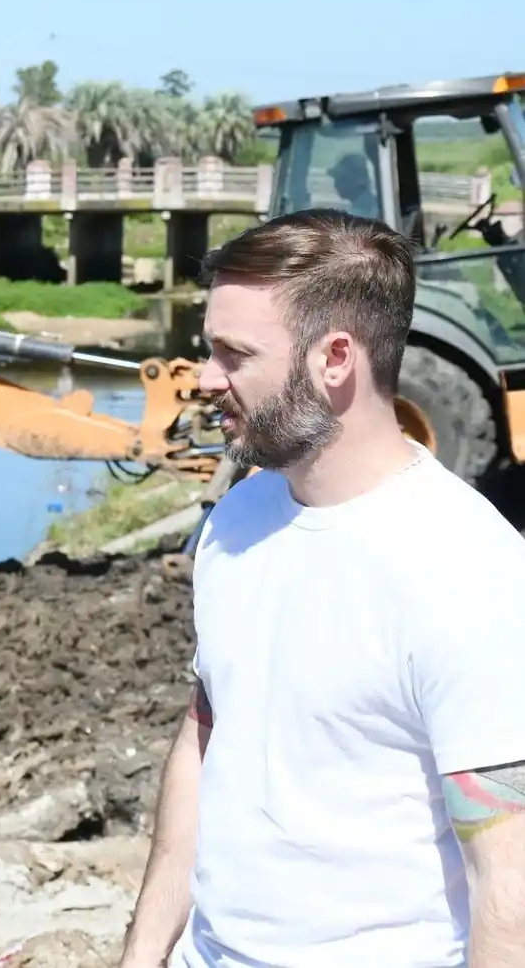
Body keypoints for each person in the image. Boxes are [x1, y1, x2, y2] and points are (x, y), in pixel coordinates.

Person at [118, 209, 525, 968]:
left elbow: (510, 884)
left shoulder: (467, 569)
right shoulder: (235, 521)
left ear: (336, 357)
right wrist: (144, 953)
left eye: (234, 354)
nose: (207, 378)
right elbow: (206, 733)